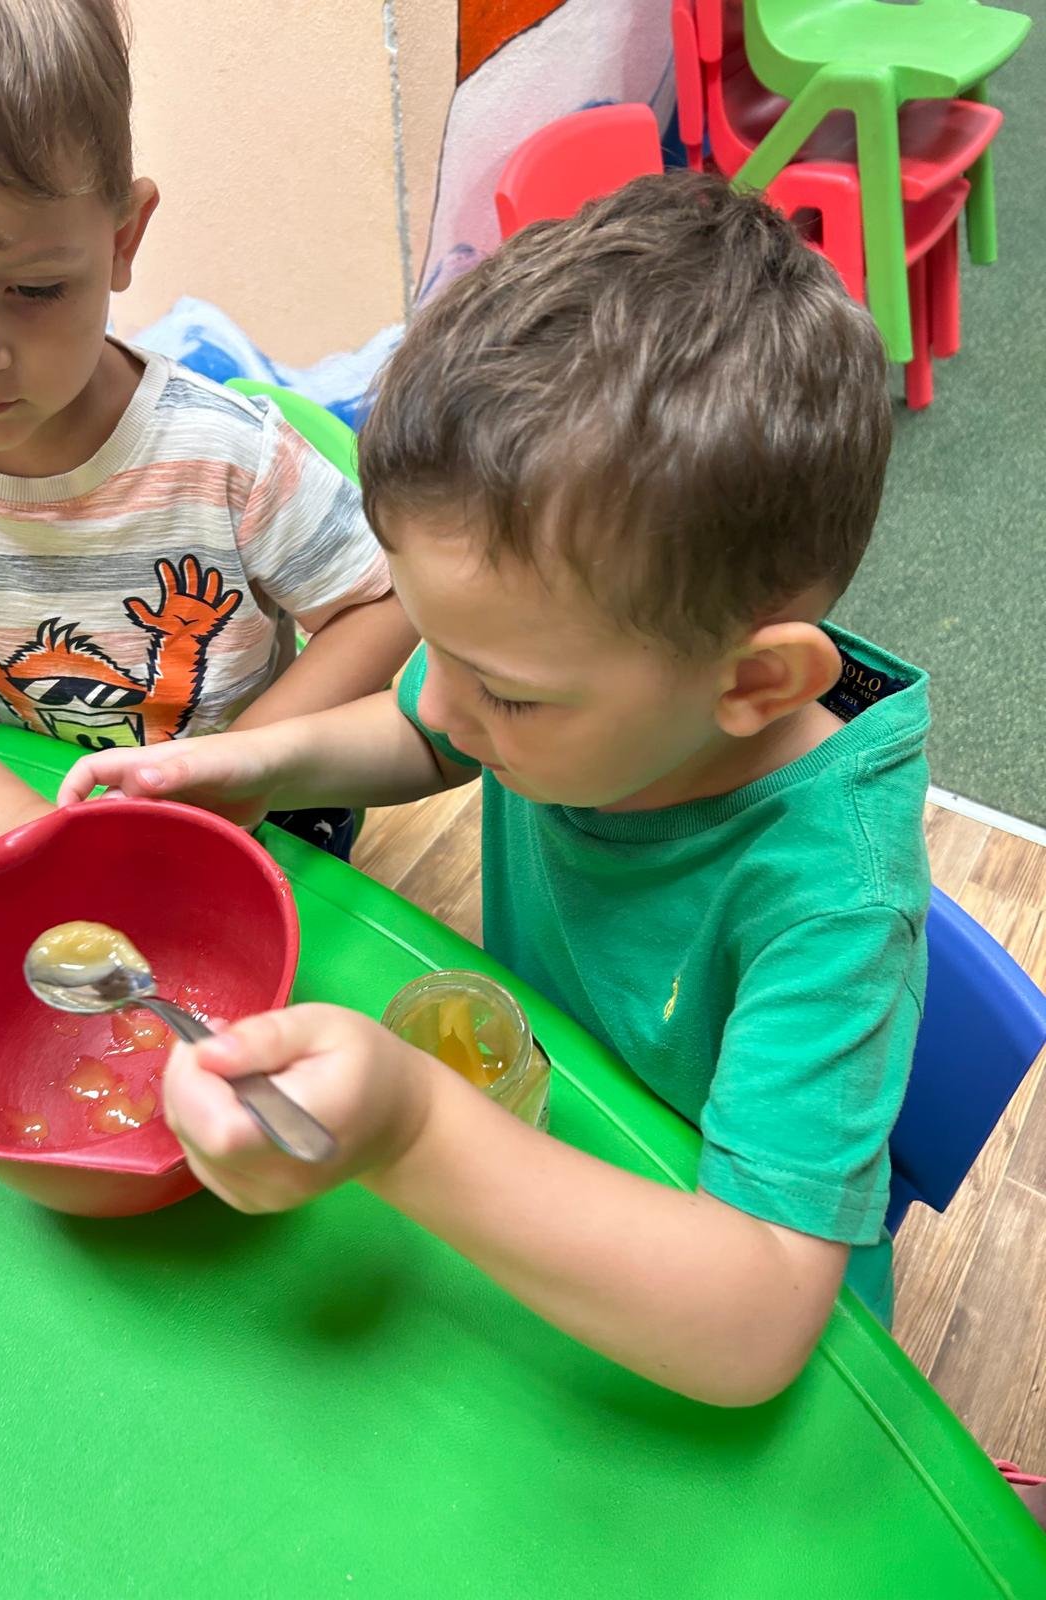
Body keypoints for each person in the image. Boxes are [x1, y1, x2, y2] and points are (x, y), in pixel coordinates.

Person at [61, 172, 927, 1407]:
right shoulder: (587, 682)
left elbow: (757, 1322)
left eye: (508, 696)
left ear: (753, 682)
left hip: (696, 1300)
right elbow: (426, 737)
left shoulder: (834, 899)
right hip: (546, 1137)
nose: (450, 702)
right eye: (434, 644)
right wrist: (249, 762)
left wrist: (412, 1128)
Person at [0, 0, 414, 857]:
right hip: (25, 795)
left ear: (122, 239)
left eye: (34, 288)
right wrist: (43, 843)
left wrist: (241, 765)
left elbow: (385, 601)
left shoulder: (226, 457)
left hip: (261, 816)